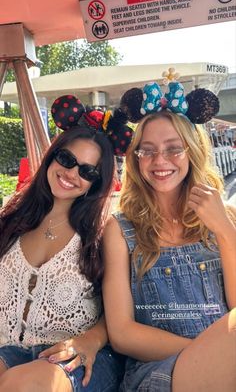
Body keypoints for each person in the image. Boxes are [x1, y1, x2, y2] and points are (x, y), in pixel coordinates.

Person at [102, 77, 236, 392]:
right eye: (146, 151)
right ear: (135, 159)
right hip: (159, 373)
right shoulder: (121, 229)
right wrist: (208, 353)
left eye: (173, 149)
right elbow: (122, 333)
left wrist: (226, 232)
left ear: (192, 152)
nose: (159, 160)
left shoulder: (225, 217)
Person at [0, 94, 131, 392]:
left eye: (87, 171)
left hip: (76, 355)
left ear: (95, 182)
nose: (72, 173)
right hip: (8, 349)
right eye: (67, 159)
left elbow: (119, 313)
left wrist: (90, 341)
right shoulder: (10, 216)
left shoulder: (103, 232)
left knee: (25, 384)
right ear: (53, 155)